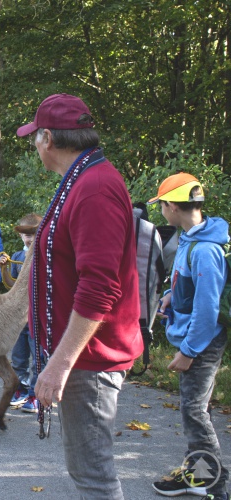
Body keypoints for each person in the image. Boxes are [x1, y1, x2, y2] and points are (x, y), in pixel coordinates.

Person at [17, 93, 142, 499]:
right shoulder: (84, 179)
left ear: (48, 138)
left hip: (90, 359)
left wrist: (58, 366)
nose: (33, 144)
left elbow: (99, 288)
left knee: (94, 478)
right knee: (87, 472)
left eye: (34, 136)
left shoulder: (95, 188)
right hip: (84, 356)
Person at [149, 173, 229, 500]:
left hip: (202, 343)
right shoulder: (191, 237)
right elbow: (186, 282)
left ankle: (216, 487)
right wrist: (171, 294)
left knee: (195, 411)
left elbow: (208, 308)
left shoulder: (205, 249)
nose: (160, 211)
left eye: (162, 205)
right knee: (196, 410)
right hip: (194, 338)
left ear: (172, 206)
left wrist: (190, 350)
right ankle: (196, 475)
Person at [0, 213, 42, 413]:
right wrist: (5, 269)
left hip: (37, 315)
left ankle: (36, 394)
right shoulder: (17, 257)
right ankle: (20, 390)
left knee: (38, 355)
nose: (29, 238)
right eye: (25, 234)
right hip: (19, 317)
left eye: (32, 233)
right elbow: (10, 285)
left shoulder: (45, 257)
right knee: (19, 356)